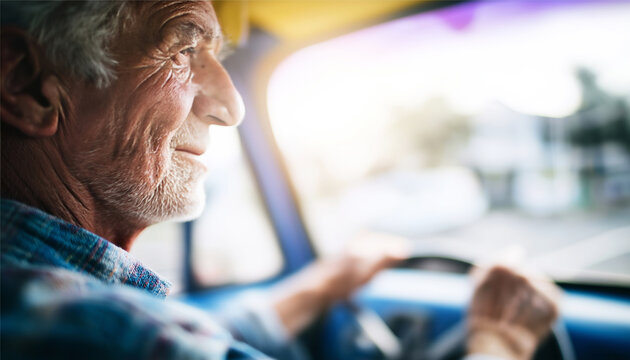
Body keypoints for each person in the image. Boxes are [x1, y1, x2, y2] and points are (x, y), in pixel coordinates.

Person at [0, 1, 559, 359]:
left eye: (217, 56)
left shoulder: (55, 299)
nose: (231, 106)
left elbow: (203, 332)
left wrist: (322, 286)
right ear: (25, 84)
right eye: (183, 47)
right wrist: (502, 339)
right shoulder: (83, 332)